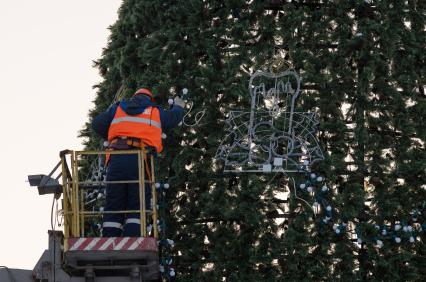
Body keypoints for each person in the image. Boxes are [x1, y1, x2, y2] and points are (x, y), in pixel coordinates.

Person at [92, 88, 185, 237]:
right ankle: (132, 241)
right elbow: (173, 118)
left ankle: (109, 242)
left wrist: (112, 137)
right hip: (140, 160)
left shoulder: (118, 108)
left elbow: (97, 124)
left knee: (114, 204)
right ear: (150, 99)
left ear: (134, 97)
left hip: (117, 158)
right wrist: (179, 107)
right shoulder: (155, 111)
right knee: (137, 205)